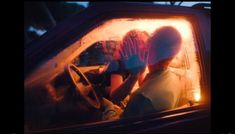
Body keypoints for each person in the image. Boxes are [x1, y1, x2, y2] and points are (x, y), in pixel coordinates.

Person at [122, 26, 191, 118]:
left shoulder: (140, 97)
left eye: (147, 44)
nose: (142, 49)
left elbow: (121, 126)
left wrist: (109, 107)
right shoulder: (177, 80)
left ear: (151, 50)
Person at [101, 30, 149, 120]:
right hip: (103, 100)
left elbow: (142, 85)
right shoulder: (117, 63)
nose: (146, 52)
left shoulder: (139, 63)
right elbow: (115, 97)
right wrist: (134, 76)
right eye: (143, 47)